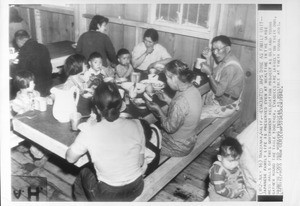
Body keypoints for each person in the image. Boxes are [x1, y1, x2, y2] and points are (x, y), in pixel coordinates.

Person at [66, 82, 145, 201]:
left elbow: (70, 159)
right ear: (121, 105)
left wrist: (89, 124)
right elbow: (140, 161)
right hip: (137, 187)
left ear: (97, 109)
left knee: (83, 173)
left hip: (109, 194)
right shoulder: (136, 124)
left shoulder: (90, 130)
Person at [145, 60, 202, 157]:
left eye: (167, 78)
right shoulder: (192, 89)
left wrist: (158, 109)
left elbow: (169, 128)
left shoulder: (180, 102)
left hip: (177, 146)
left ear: (175, 78)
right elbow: (183, 110)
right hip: (189, 139)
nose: (166, 82)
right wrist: (167, 99)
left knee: (143, 144)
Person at [199, 35, 245, 119]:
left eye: (218, 49)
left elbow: (218, 92)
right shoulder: (226, 60)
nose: (215, 53)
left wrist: (208, 74)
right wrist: (208, 58)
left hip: (226, 106)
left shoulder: (230, 67)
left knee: (195, 116)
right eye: (213, 49)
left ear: (227, 49)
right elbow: (213, 74)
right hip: (223, 100)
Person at [10, 70, 48, 165]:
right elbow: (18, 112)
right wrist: (23, 110)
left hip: (36, 119)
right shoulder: (18, 100)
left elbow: (38, 97)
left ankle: (43, 150)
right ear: (25, 85)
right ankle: (40, 156)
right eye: (32, 83)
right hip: (27, 124)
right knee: (36, 144)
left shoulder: (34, 93)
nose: (34, 84)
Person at [208, 137, 253, 201]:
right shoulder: (217, 172)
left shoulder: (233, 165)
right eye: (230, 161)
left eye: (237, 160)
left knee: (247, 198)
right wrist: (234, 194)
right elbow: (220, 190)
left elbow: (239, 174)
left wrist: (240, 184)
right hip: (218, 193)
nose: (234, 164)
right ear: (220, 158)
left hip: (231, 186)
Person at [13, 30, 53, 97]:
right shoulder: (43, 46)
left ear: (18, 41)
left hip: (34, 87)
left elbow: (21, 73)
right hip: (48, 83)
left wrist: (12, 65)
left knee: (15, 80)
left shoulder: (24, 51)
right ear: (29, 37)